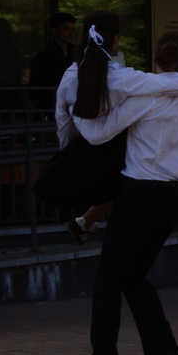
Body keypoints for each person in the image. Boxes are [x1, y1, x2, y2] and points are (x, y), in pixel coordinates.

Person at [62, 30, 178, 355]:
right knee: (132, 276)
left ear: (156, 61)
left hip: (140, 193)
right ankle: (163, 349)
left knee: (109, 279)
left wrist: (71, 112)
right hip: (173, 196)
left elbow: (99, 134)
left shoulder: (148, 95)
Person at [45, 13, 131, 245]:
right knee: (123, 187)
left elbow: (62, 118)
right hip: (115, 149)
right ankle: (93, 227)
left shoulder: (73, 74)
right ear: (115, 40)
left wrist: (67, 151)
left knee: (116, 190)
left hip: (86, 147)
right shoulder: (121, 76)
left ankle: (84, 223)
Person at [27, 12, 79, 104]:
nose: (71, 33)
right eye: (66, 29)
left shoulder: (76, 53)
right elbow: (36, 87)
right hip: (51, 103)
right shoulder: (44, 57)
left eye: (72, 29)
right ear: (55, 31)